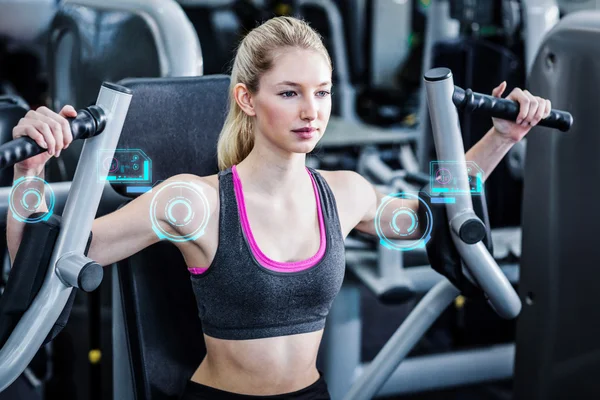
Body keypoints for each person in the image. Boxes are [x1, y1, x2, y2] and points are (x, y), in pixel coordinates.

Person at [7, 16, 552, 400]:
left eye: (322, 92)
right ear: (248, 99)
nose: (311, 111)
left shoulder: (346, 193)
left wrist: (501, 138)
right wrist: (28, 174)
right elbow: (47, 259)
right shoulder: (193, 203)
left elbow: (440, 221)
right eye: (289, 93)